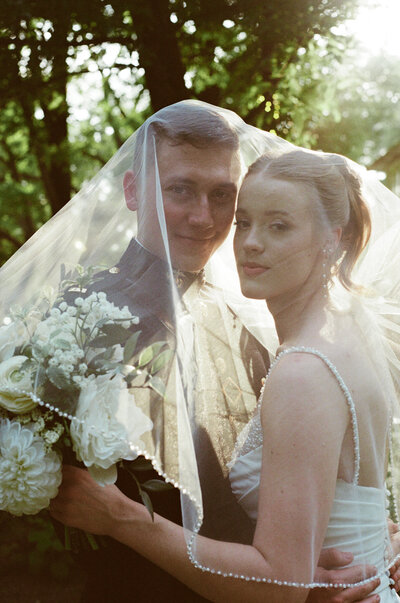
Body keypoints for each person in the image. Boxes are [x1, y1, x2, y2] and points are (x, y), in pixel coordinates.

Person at [48, 111, 400, 602]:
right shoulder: (77, 329)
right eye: (180, 191)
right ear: (133, 192)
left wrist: (356, 543)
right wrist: (301, 572)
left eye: (222, 197)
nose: (204, 217)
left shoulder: (255, 318)